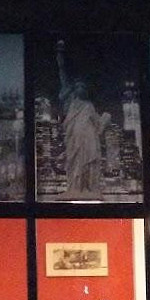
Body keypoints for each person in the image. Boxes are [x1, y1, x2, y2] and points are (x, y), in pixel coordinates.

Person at [56, 40, 108, 199]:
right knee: (74, 162)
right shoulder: (71, 102)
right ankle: (74, 188)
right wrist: (60, 56)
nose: (81, 88)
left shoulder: (89, 105)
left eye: (83, 87)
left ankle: (89, 188)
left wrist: (106, 118)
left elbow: (99, 125)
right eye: (78, 86)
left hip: (89, 139)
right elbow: (63, 75)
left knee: (89, 163)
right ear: (74, 89)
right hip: (74, 140)